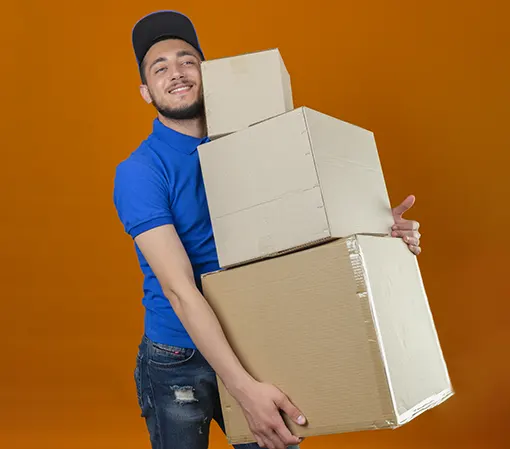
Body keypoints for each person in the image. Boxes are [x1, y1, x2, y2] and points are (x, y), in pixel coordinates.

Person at [112, 10, 422, 449]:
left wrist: (374, 230)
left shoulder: (252, 143)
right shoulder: (141, 171)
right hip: (180, 355)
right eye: (159, 68)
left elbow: (298, 224)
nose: (176, 74)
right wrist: (244, 390)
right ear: (146, 92)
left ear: (208, 73)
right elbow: (181, 291)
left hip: (253, 333)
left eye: (187, 61)